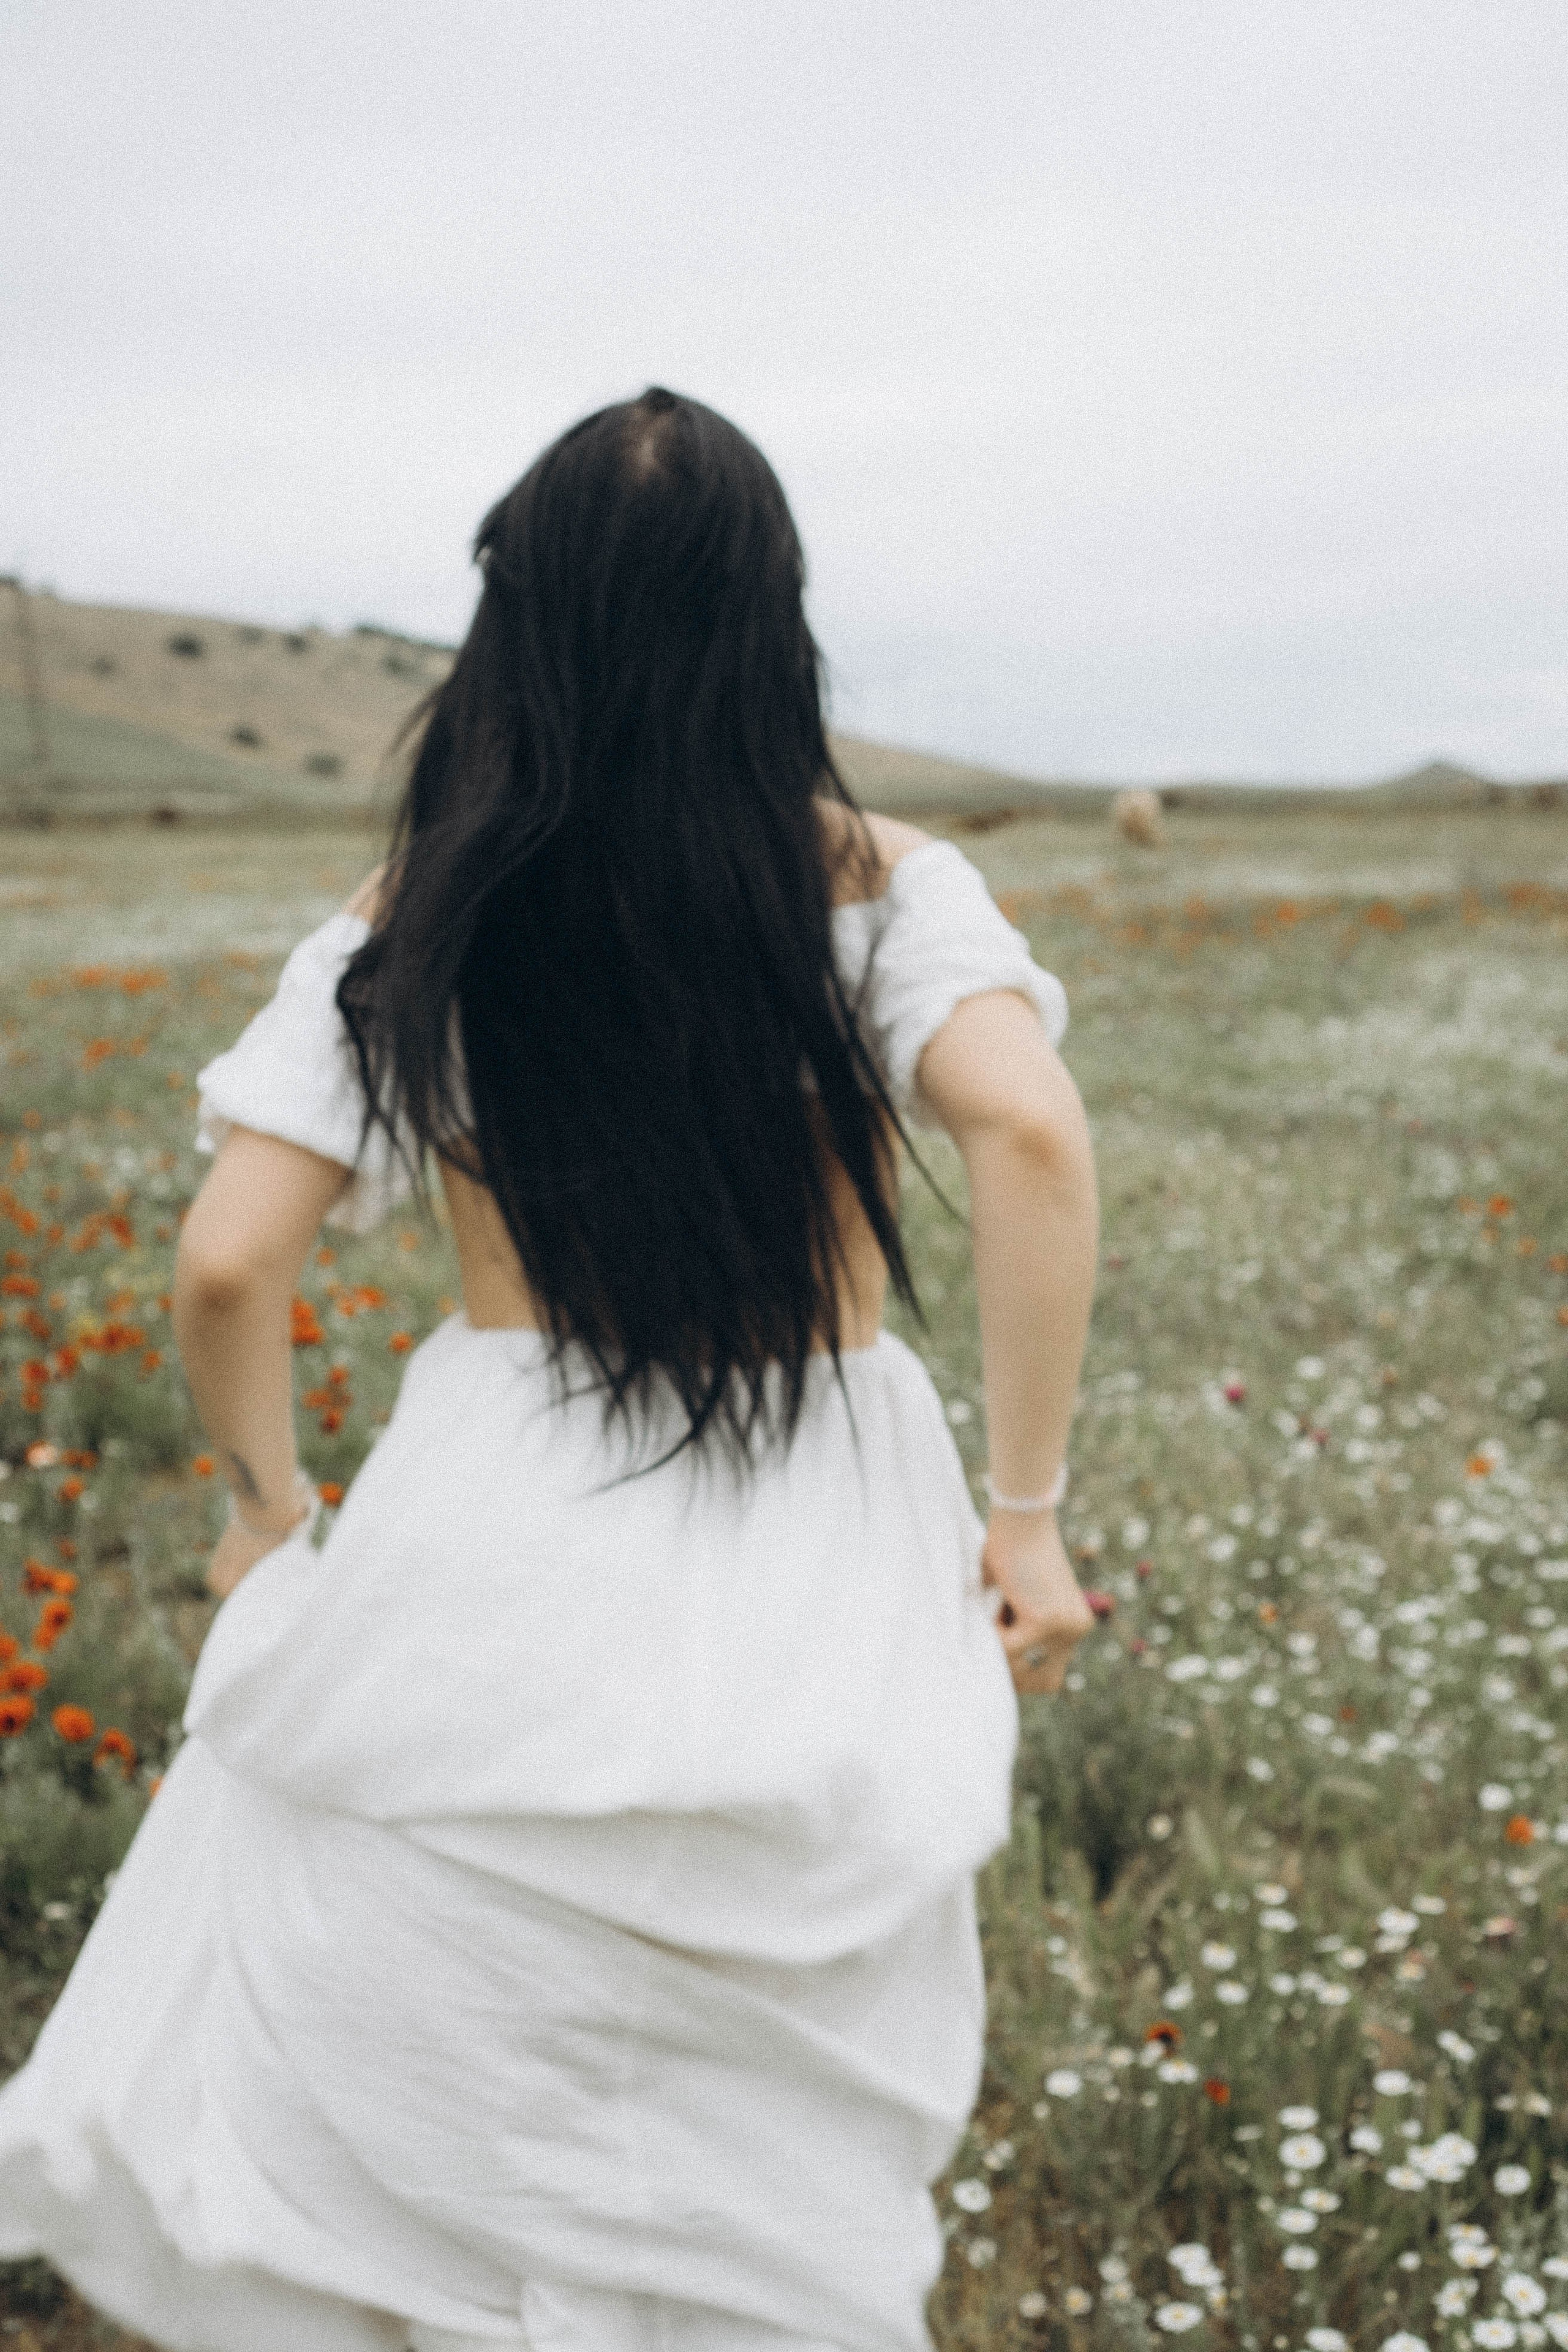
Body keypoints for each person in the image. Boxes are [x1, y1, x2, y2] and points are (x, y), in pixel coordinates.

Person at [0, 388, 1097, 2352]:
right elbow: (1027, 1134)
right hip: (819, 1498)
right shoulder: (881, 885)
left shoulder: (421, 906)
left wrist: (270, 1510)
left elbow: (231, 1258)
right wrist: (1026, 1513)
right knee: (771, 2087)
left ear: (519, 626)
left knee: (431, 2048)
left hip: (493, 1498)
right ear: (775, 621)